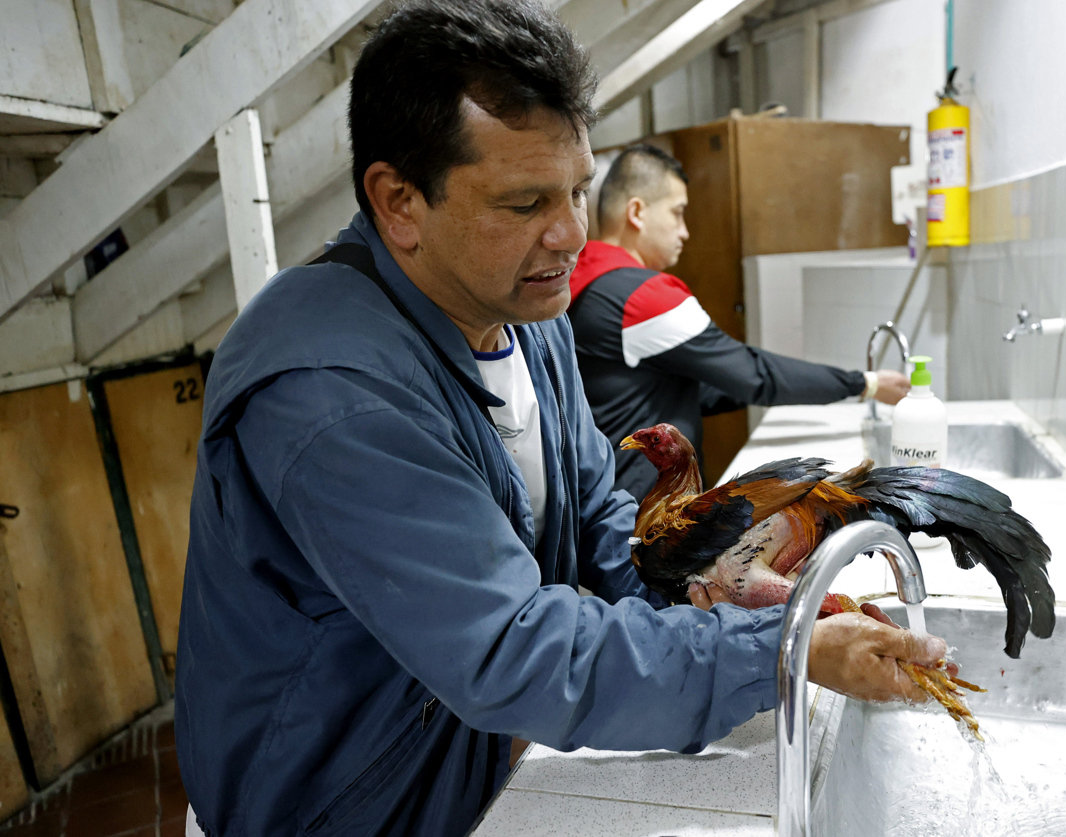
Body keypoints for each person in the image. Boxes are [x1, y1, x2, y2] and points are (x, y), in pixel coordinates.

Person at [174, 3, 948, 836]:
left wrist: (720, 590)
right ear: (399, 201)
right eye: (524, 202)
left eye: (578, 187)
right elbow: (511, 647)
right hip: (335, 802)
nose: (573, 231)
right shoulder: (332, 392)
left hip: (452, 755)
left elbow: (600, 516)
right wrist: (776, 654)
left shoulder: (523, 315)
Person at [569, 144, 911, 499]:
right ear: (637, 212)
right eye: (678, 213)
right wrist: (864, 383)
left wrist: (750, 379)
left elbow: (674, 390)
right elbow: (755, 375)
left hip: (604, 498)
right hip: (638, 512)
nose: (684, 232)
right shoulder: (643, 298)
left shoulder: (582, 283)